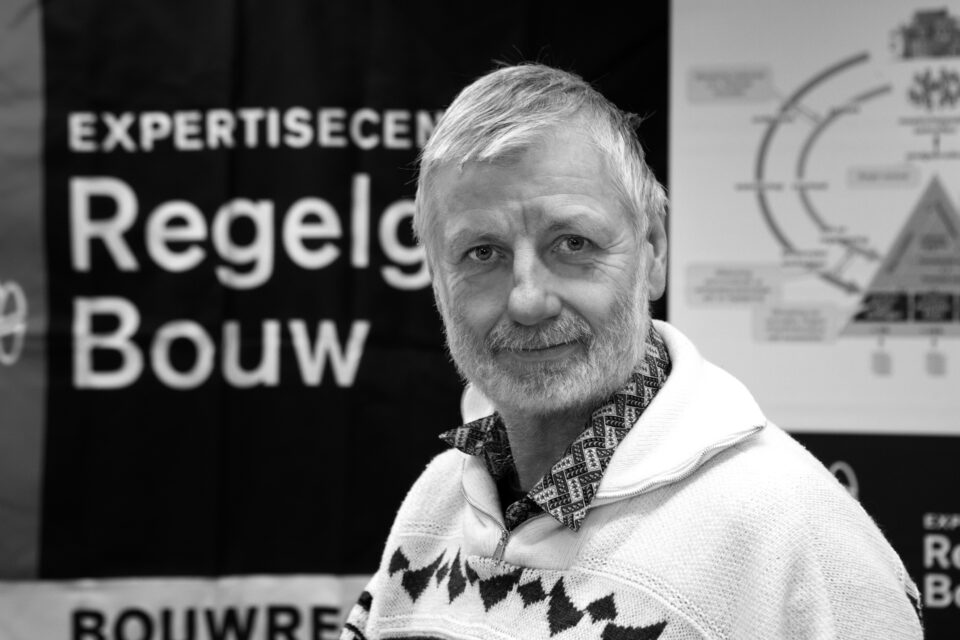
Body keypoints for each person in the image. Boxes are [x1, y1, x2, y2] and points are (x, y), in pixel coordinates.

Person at [341, 63, 923, 639]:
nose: (528, 300)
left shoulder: (794, 542)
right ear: (436, 278)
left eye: (573, 243)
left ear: (654, 250)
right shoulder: (435, 506)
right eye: (482, 253)